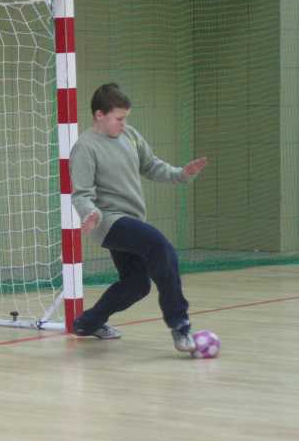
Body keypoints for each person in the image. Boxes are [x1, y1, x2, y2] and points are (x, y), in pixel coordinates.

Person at [68, 82, 208, 352]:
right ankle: (180, 326)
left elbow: (151, 166)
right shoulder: (85, 147)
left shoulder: (129, 135)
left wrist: (181, 173)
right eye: (119, 118)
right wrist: (91, 213)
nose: (123, 123)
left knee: (136, 285)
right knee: (161, 247)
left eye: (125, 118)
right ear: (99, 115)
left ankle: (87, 323)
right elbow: (81, 194)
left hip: (131, 220)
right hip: (108, 221)